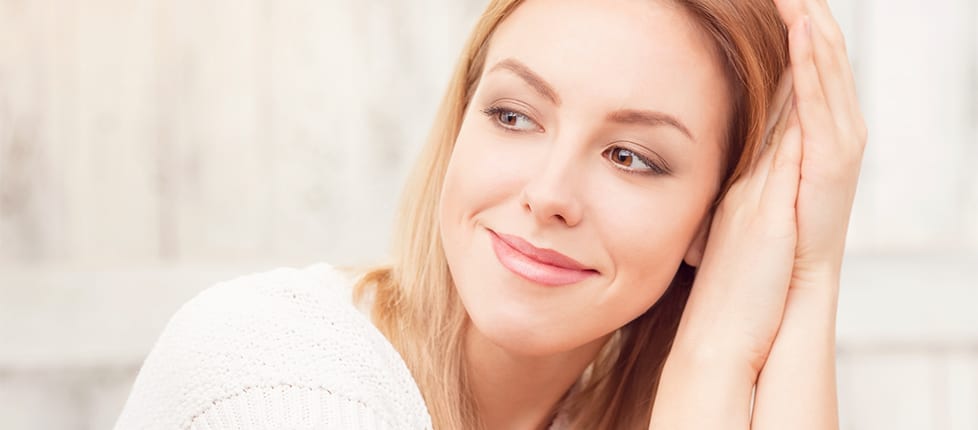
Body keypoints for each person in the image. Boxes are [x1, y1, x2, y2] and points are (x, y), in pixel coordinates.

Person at [115, 0, 866, 428]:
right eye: (513, 115)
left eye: (630, 156)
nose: (548, 193)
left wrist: (807, 273)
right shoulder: (277, 377)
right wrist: (716, 359)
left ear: (714, 220)